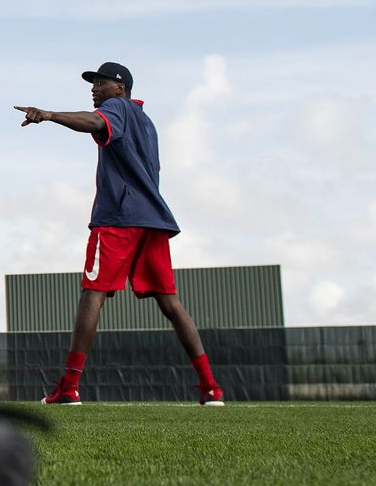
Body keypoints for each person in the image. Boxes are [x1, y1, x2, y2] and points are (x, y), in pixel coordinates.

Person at [15, 64, 224, 406]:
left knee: (93, 294)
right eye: (92, 83)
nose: (94, 88)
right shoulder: (146, 120)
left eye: (101, 82)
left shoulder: (117, 109)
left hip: (119, 218)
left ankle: (68, 387)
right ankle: (210, 387)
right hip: (152, 219)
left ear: (120, 87)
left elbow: (96, 122)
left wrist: (48, 115)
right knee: (170, 303)